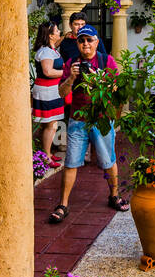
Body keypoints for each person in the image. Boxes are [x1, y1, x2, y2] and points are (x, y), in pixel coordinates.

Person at [50, 26, 129, 223]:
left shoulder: (105, 60)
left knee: (108, 160)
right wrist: (71, 78)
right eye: (81, 40)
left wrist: (98, 78)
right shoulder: (71, 63)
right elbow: (62, 92)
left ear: (96, 42)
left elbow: (116, 86)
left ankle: (114, 196)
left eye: (89, 40)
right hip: (78, 120)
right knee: (71, 162)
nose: (85, 44)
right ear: (77, 43)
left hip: (101, 118)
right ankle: (63, 204)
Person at [31, 20, 64, 167]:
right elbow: (48, 71)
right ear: (50, 35)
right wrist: (67, 72)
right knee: (50, 124)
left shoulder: (50, 49)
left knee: (51, 123)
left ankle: (47, 153)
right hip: (46, 91)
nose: (59, 32)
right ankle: (46, 157)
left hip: (52, 90)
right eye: (57, 31)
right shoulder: (45, 51)